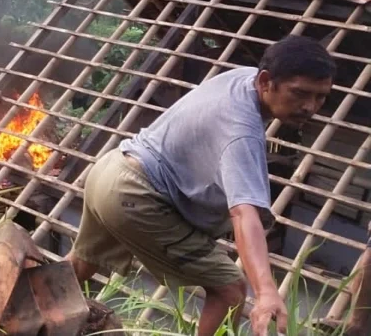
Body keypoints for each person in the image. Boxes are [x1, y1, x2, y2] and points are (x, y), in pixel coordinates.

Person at [67, 35, 335, 336]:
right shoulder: (241, 133)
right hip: (136, 195)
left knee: (80, 264)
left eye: (320, 97)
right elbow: (244, 214)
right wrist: (266, 291)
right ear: (265, 82)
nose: (310, 106)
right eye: (299, 93)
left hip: (110, 169)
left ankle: (16, 313)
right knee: (230, 289)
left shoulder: (242, 78)